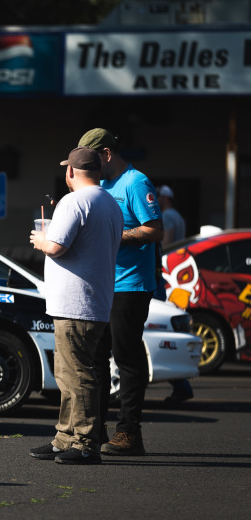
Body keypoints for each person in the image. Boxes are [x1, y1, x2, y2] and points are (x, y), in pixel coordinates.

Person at [28, 147, 123, 465]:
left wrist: (40, 241)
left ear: (70, 171)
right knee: (69, 373)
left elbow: (56, 246)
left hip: (75, 303)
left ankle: (84, 442)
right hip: (94, 300)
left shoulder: (74, 201)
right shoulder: (109, 202)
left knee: (77, 375)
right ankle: (64, 438)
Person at [79, 128, 163, 456]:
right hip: (102, 283)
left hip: (130, 285)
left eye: (91, 158)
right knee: (97, 359)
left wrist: (114, 236)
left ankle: (129, 432)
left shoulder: (135, 182)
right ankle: (96, 429)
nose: (88, 166)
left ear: (107, 153)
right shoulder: (99, 185)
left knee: (126, 357)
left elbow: (154, 230)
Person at [157, 185, 193, 403]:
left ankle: (181, 385)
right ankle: (181, 385)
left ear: (165, 198)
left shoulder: (168, 217)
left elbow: (166, 242)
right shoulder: (178, 216)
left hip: (162, 270)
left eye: (160, 196)